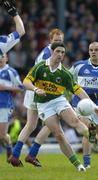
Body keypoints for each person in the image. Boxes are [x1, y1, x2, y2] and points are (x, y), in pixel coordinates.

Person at [10, 42, 98, 171]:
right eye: (57, 52)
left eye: (62, 52)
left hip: (59, 100)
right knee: (59, 135)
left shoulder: (65, 73)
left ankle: (91, 137)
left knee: (75, 121)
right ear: (52, 52)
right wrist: (35, 89)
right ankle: (78, 165)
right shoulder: (40, 67)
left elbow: (78, 91)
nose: (60, 54)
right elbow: (26, 82)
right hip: (44, 105)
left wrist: (94, 106)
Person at [8, 28, 64, 165]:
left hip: (33, 91)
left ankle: (15, 155)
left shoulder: (50, 52)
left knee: (31, 125)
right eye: (56, 40)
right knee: (53, 124)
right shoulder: (48, 56)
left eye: (60, 40)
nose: (58, 42)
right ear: (50, 41)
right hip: (40, 92)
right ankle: (32, 154)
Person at [70, 41, 98, 168]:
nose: (93, 52)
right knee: (88, 130)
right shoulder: (79, 66)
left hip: (97, 106)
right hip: (80, 104)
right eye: (91, 50)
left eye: (96, 50)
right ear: (88, 51)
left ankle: (95, 139)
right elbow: (67, 80)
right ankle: (87, 164)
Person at [0, 53, 24, 162]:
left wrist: (5, 87)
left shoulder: (11, 72)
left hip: (4, 104)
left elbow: (21, 87)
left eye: (2, 56)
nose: (0, 58)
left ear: (6, 58)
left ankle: (9, 147)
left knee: (2, 134)